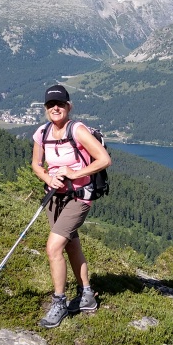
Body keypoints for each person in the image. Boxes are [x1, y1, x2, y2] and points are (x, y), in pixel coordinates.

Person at [31, 84, 112, 328]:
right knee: (71, 244)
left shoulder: (77, 130)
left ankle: (59, 303)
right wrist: (48, 178)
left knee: (53, 248)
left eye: (60, 104)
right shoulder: (42, 133)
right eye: (50, 104)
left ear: (68, 106)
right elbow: (36, 165)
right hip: (55, 197)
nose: (55, 108)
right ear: (45, 108)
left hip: (78, 197)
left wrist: (74, 173)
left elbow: (104, 159)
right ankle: (87, 295)